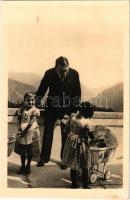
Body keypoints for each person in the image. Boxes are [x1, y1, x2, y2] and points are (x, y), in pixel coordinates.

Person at [36, 56, 81, 167]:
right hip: (51, 108)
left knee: (65, 136)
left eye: (67, 70)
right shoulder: (49, 73)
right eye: (62, 71)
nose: (65, 73)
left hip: (67, 109)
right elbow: (42, 89)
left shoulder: (74, 74)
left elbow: (77, 93)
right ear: (56, 67)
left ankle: (64, 160)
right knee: (47, 134)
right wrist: (35, 104)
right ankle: (44, 158)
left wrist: (74, 111)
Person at [61, 102, 94, 188]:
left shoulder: (72, 117)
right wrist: (90, 134)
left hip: (71, 142)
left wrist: (71, 135)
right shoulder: (86, 122)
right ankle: (85, 185)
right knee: (85, 165)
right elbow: (91, 136)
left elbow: (65, 130)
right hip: (81, 144)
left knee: (73, 165)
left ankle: (74, 184)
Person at [14, 92, 40, 175]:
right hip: (22, 132)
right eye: (28, 100)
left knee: (30, 150)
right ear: (24, 100)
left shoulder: (34, 110)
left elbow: (31, 122)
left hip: (31, 132)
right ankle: (22, 166)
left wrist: (24, 132)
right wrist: (19, 129)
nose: (31, 102)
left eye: (32, 100)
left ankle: (28, 165)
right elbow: (19, 119)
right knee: (22, 151)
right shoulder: (23, 109)